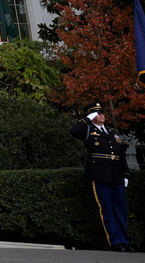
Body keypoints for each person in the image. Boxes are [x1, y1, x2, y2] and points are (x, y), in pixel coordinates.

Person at [71, 103, 132, 252]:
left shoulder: (113, 132)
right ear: (92, 117)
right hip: (100, 174)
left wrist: (125, 174)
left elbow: (121, 155)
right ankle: (114, 242)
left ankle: (124, 241)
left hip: (116, 175)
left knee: (121, 209)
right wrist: (87, 118)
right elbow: (74, 131)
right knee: (107, 209)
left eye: (102, 113)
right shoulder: (88, 131)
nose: (101, 115)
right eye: (97, 113)